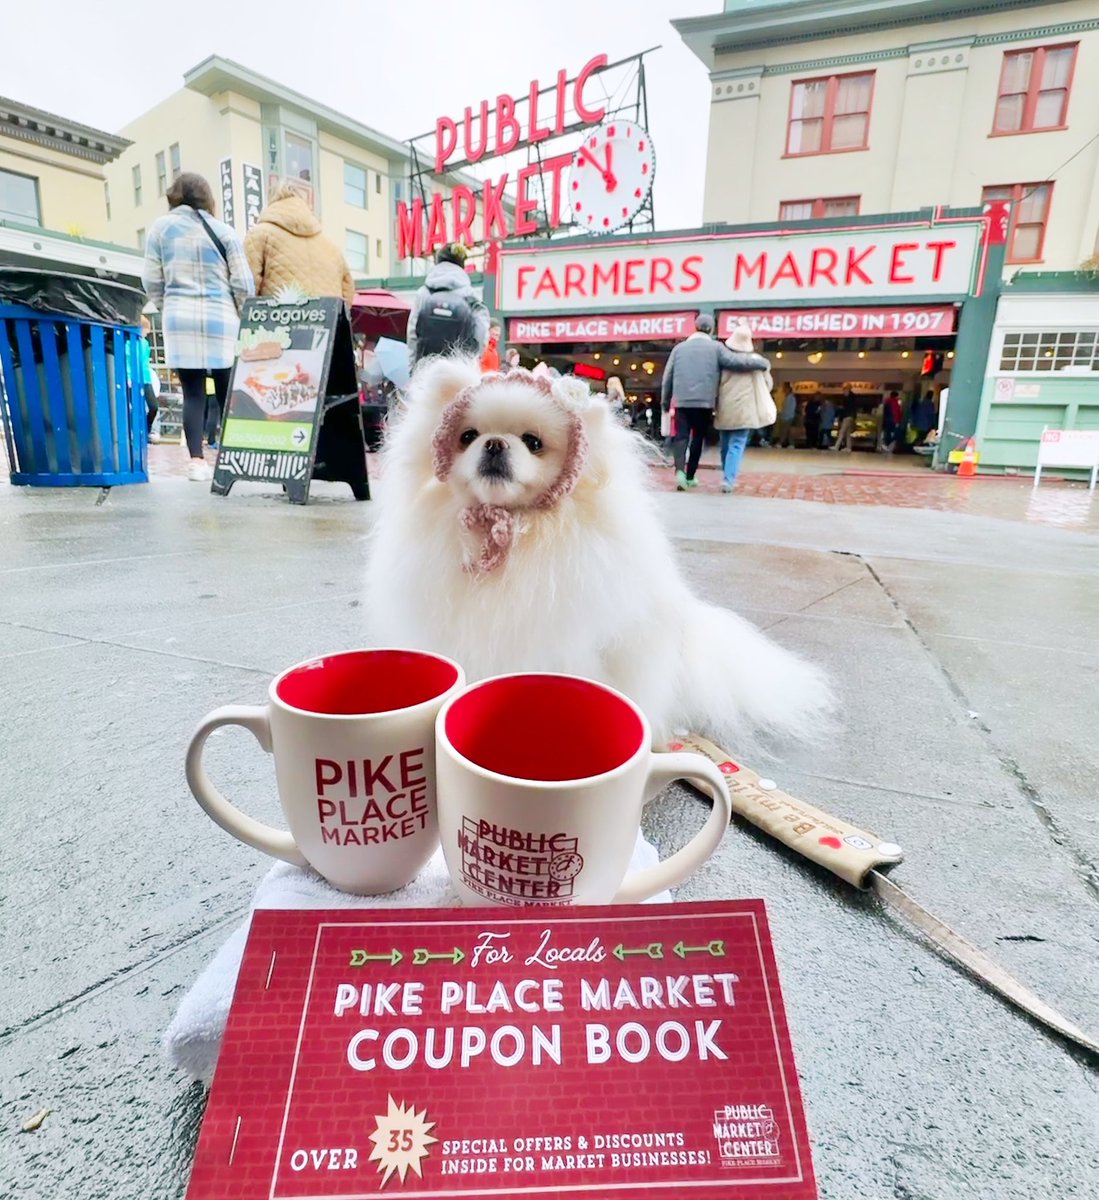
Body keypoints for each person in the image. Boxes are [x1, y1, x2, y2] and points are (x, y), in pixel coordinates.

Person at [142, 172, 253, 481]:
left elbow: (151, 279)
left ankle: (196, 461)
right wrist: (241, 314)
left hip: (180, 319)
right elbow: (243, 283)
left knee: (193, 393)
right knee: (227, 392)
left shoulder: (161, 229)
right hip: (222, 319)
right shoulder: (224, 231)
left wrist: (169, 306)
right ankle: (235, 459)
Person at [660, 313, 768, 491]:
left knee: (681, 438)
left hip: (681, 401)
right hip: (704, 403)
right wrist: (761, 363)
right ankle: (690, 475)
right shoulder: (716, 348)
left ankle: (679, 471)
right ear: (711, 329)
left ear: (695, 327)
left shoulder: (679, 349)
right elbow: (735, 362)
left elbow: (667, 378)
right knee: (697, 438)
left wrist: (665, 403)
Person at [243, 182, 354, 304]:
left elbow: (246, 286)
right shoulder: (332, 247)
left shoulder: (259, 234)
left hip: (280, 319)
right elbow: (348, 291)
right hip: (326, 320)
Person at [714, 324, 775, 493]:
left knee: (725, 445)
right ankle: (728, 479)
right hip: (745, 410)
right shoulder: (757, 361)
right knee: (737, 444)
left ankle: (727, 474)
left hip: (725, 408)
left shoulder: (724, 360)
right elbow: (767, 385)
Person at [407, 242, 489, 366]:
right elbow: (481, 334)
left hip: (427, 368)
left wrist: (413, 367)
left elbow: (412, 334)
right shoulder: (471, 295)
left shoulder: (423, 293)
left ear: (438, 262)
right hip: (458, 368)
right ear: (462, 265)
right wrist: (472, 363)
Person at [137, 316, 160, 442]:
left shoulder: (145, 344)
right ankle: (142, 431)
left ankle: (146, 430)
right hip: (136, 378)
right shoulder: (131, 342)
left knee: (153, 406)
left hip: (146, 378)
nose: (148, 333)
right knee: (138, 407)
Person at [773, 383, 797, 448]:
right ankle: (791, 444)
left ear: (788, 389)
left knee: (784, 431)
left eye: (784, 389)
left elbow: (789, 409)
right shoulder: (788, 397)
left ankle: (780, 443)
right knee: (788, 431)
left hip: (787, 417)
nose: (783, 390)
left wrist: (783, 415)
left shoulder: (790, 398)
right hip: (787, 417)